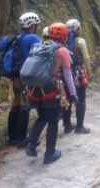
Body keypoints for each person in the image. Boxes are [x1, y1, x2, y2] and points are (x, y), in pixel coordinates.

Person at [26, 22, 79, 164]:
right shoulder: (62, 51)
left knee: (42, 117)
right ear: (64, 36)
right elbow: (67, 76)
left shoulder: (39, 46)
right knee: (53, 121)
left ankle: (31, 145)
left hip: (34, 90)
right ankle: (50, 154)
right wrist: (73, 94)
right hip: (51, 91)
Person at [8, 12, 41, 146]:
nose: (37, 26)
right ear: (32, 25)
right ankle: (22, 139)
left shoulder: (17, 37)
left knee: (15, 104)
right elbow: (40, 57)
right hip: (26, 76)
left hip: (14, 75)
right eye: (36, 24)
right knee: (25, 105)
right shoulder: (33, 38)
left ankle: (12, 137)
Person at [62, 18, 92, 134]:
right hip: (78, 73)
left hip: (66, 73)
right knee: (81, 98)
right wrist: (89, 72)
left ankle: (67, 125)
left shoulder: (63, 42)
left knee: (68, 98)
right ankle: (79, 127)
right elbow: (86, 58)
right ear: (78, 29)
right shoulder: (80, 41)